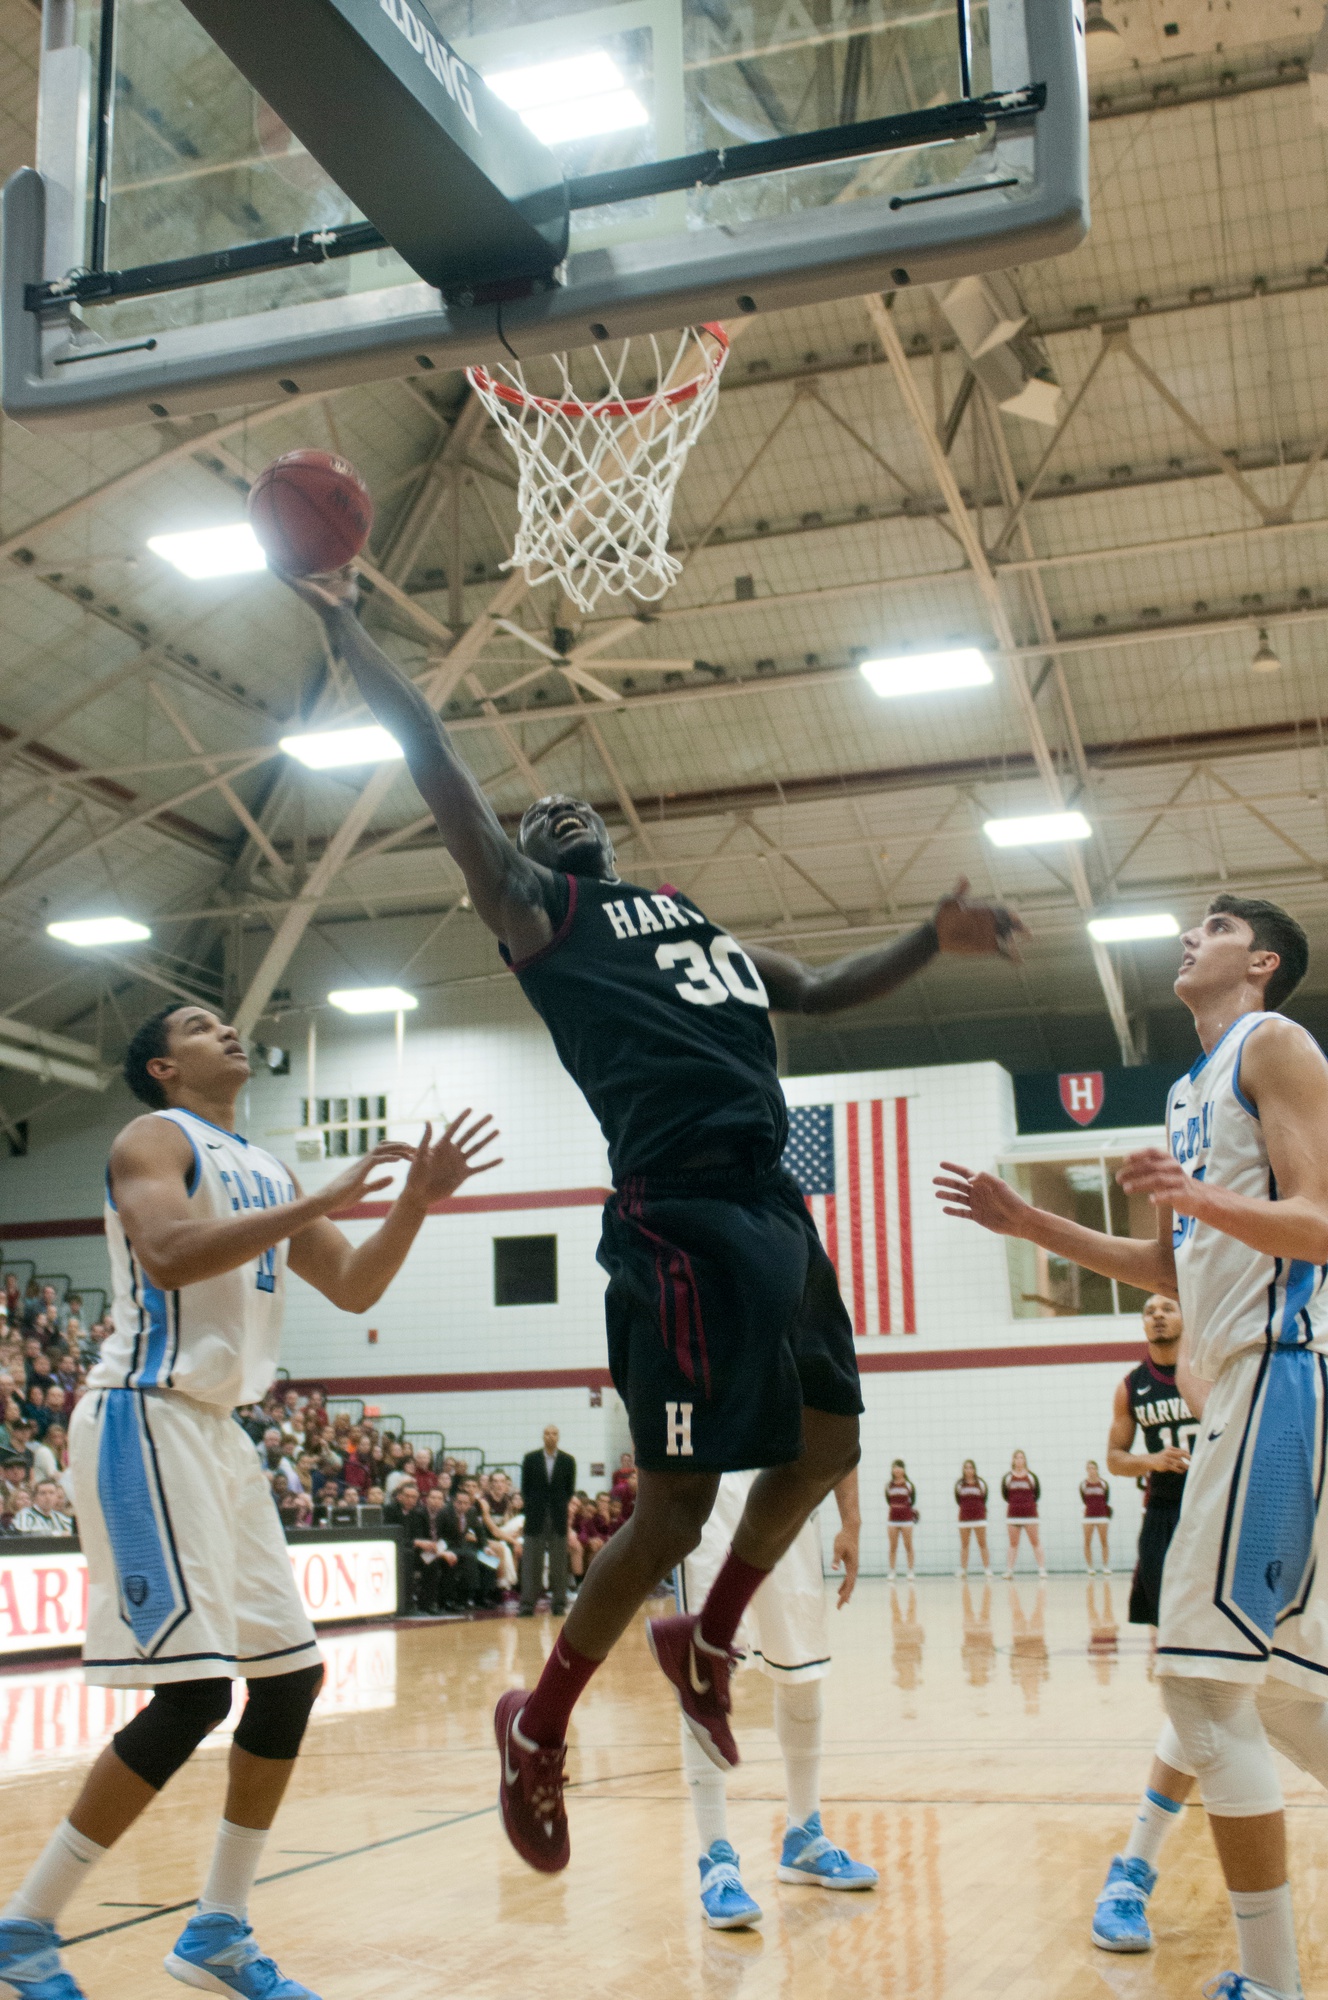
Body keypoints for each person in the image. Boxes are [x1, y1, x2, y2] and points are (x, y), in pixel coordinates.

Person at [282, 563, 1024, 1875]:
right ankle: (539, 1722)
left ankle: (709, 1635)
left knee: (832, 1442)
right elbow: (431, 751)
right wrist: (344, 622)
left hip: (772, 1205)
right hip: (673, 1218)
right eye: (536, 811)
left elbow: (821, 987)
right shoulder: (536, 910)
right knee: (674, 1507)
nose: (556, 807)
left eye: (574, 805)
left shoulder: (690, 924)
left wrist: (927, 937)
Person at [0, 1002, 498, 2000]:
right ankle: (24, 1929)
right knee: (195, 1694)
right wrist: (325, 1193)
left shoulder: (264, 1168)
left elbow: (353, 1284)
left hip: (220, 1432)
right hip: (144, 1413)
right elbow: (168, 1253)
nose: (226, 1030)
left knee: (288, 1680)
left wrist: (411, 1202)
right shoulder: (154, 1137)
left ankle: (217, 1929)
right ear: (162, 1065)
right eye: (199, 1024)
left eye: (225, 1021)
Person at [935, 892, 1328, 2000]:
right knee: (1275, 1690)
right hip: (1243, 1385)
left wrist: (1196, 1193)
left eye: (1215, 926)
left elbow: (1319, 1222)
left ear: (1261, 961)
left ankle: (1271, 1982)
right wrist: (1030, 1225)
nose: (1190, 936)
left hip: (1277, 1368)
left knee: (1200, 1687)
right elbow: (1169, 1268)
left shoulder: (1275, 1043)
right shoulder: (1184, 1091)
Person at [676, 1469, 877, 1927]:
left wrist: (851, 1521)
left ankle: (804, 1836)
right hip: (710, 1483)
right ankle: (715, 1858)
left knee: (802, 1664)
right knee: (705, 1669)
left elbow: (841, 1426)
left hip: (790, 1481)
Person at [1108, 1295, 1196, 1630]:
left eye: (1168, 1309)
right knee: (1166, 1617)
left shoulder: (1209, 1373)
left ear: (1185, 1318)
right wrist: (1152, 1460)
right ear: (1143, 1324)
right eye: (1149, 1312)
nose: (1158, 1315)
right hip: (1163, 1509)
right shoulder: (1131, 1386)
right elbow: (1114, 1459)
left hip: (1212, 1503)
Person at [519, 1426, 577, 1617]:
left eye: (554, 1433)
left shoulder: (568, 1461)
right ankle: (527, 1605)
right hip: (535, 1516)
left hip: (558, 1516)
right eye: (547, 1433)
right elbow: (525, 1488)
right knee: (531, 1562)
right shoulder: (530, 1459)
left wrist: (558, 1506)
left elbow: (569, 1490)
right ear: (543, 1436)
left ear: (558, 1437)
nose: (550, 1436)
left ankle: (559, 1604)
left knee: (559, 1563)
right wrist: (534, 1506)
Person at [1000, 1451, 1045, 1579]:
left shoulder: (1031, 1477)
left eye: (1021, 1458)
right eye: (1017, 1458)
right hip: (1013, 1515)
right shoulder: (1007, 1477)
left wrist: (1027, 1505)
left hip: (1030, 1515)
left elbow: (1037, 1494)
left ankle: (1042, 1570)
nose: (1019, 1460)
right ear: (1013, 1461)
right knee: (1013, 1544)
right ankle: (1009, 1571)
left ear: (1025, 1460)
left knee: (1035, 1542)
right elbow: (1005, 1495)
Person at [954, 1460, 990, 1579]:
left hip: (979, 1517)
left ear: (974, 1470)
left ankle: (987, 1569)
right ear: (963, 1470)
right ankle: (963, 1570)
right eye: (966, 1468)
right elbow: (958, 1499)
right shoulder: (959, 1484)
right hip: (964, 1518)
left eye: (971, 1468)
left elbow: (984, 1497)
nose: (969, 1470)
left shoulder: (981, 1483)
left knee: (982, 1544)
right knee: (964, 1545)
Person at [885, 1459, 917, 1581]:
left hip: (907, 1519)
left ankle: (910, 1571)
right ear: (892, 1470)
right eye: (895, 1467)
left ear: (903, 1470)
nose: (897, 1470)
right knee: (893, 1547)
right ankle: (892, 1571)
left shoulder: (909, 1485)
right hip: (892, 1520)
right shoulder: (889, 1486)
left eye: (899, 1467)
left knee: (908, 1546)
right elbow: (888, 1500)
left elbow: (913, 1500)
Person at [1081, 1461, 1112, 1575]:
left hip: (1102, 1515)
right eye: (1089, 1468)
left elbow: (1106, 1498)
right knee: (1087, 1541)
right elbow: (1083, 1499)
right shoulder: (1083, 1484)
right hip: (1088, 1516)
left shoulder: (1103, 1484)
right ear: (1086, 1470)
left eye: (1093, 1468)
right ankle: (1090, 1567)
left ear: (1097, 1469)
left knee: (1104, 1541)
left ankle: (1105, 1566)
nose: (1091, 1470)